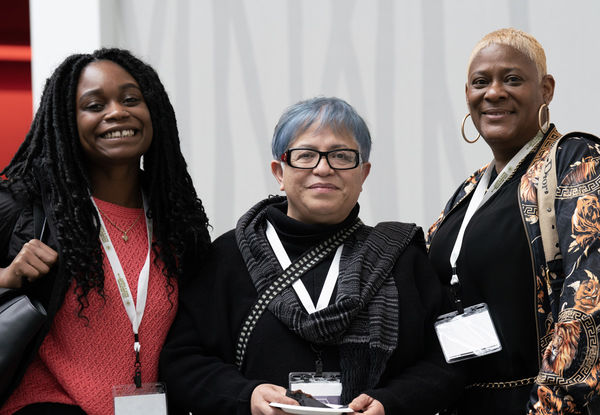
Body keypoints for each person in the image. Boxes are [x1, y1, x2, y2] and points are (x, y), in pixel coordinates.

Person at [160, 96, 462, 415]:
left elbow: (450, 359)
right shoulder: (228, 257)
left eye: (341, 156)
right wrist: (246, 396)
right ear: (279, 171)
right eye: (305, 155)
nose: (323, 168)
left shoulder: (402, 259)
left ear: (364, 173)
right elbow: (182, 361)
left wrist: (393, 401)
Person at [0, 48, 211, 414]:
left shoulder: (177, 219)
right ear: (67, 119)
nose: (117, 112)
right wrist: (5, 277)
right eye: (94, 105)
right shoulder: (22, 204)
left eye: (131, 99)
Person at [427, 28, 600, 414]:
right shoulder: (468, 191)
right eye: (480, 82)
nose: (493, 93)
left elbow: (589, 305)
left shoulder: (576, 162)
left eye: (512, 79)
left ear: (546, 90)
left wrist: (550, 405)